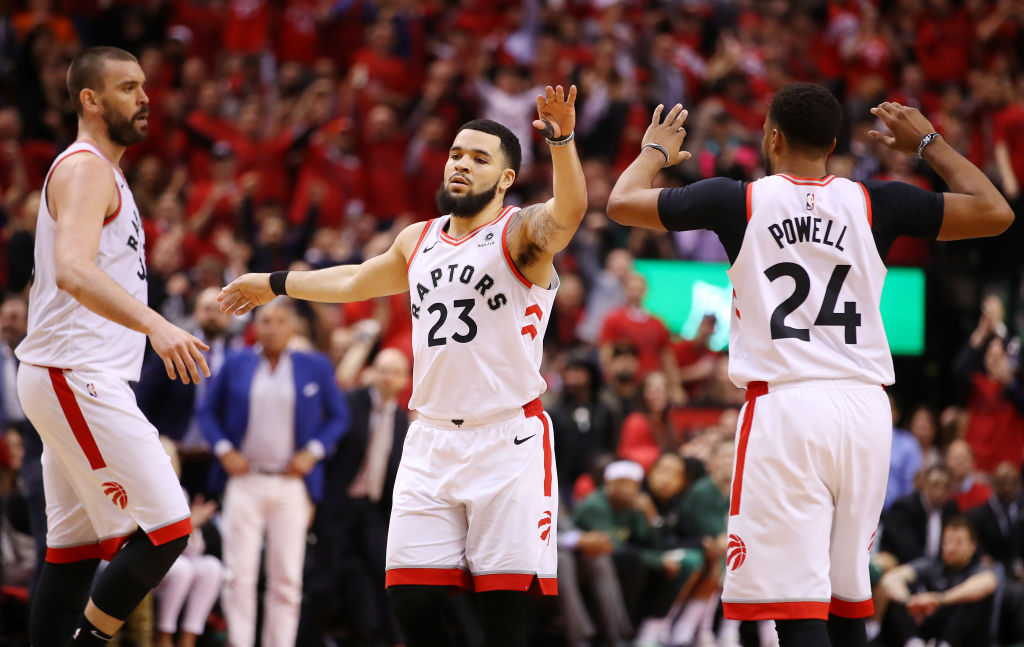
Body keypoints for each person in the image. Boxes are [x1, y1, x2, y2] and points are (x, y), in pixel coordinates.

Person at [606, 82, 1013, 647]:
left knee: (797, 610)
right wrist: (928, 143)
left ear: (772, 136)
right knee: (847, 603)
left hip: (788, 406)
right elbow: (996, 212)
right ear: (834, 143)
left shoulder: (739, 199)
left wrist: (653, 151)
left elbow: (621, 202)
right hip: (866, 408)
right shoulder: (876, 200)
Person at [217, 84, 588, 647]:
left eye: (479, 158)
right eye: (457, 154)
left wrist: (560, 141)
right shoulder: (418, 239)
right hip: (430, 438)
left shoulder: (519, 233)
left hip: (507, 440)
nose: (461, 164)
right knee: (411, 600)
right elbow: (353, 279)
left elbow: (569, 211)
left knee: (506, 617)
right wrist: (275, 284)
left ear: (506, 178)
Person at [14, 46, 211, 647]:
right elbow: (72, 269)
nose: (145, 97)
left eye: (145, 86)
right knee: (169, 528)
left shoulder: (105, 172)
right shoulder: (86, 168)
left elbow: (47, 277)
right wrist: (157, 324)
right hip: (76, 373)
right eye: (128, 88)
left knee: (71, 554)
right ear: (90, 100)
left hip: (71, 372)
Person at [197, 297, 348, 647]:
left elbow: (338, 417)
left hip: (291, 482)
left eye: (281, 321)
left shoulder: (316, 366)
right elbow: (206, 411)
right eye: (266, 321)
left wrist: (313, 452)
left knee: (287, 578)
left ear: (293, 327)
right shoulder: (236, 363)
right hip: (244, 478)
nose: (273, 327)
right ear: (255, 327)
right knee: (239, 576)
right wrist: (224, 450)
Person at [880, 516, 998, 647]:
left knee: (973, 600)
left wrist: (940, 599)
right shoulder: (933, 564)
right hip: (928, 631)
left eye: (958, 543)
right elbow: (890, 580)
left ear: (972, 546)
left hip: (963, 638)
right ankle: (914, 642)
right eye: (947, 542)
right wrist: (910, 602)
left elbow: (987, 583)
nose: (951, 548)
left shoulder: (979, 568)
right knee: (900, 594)